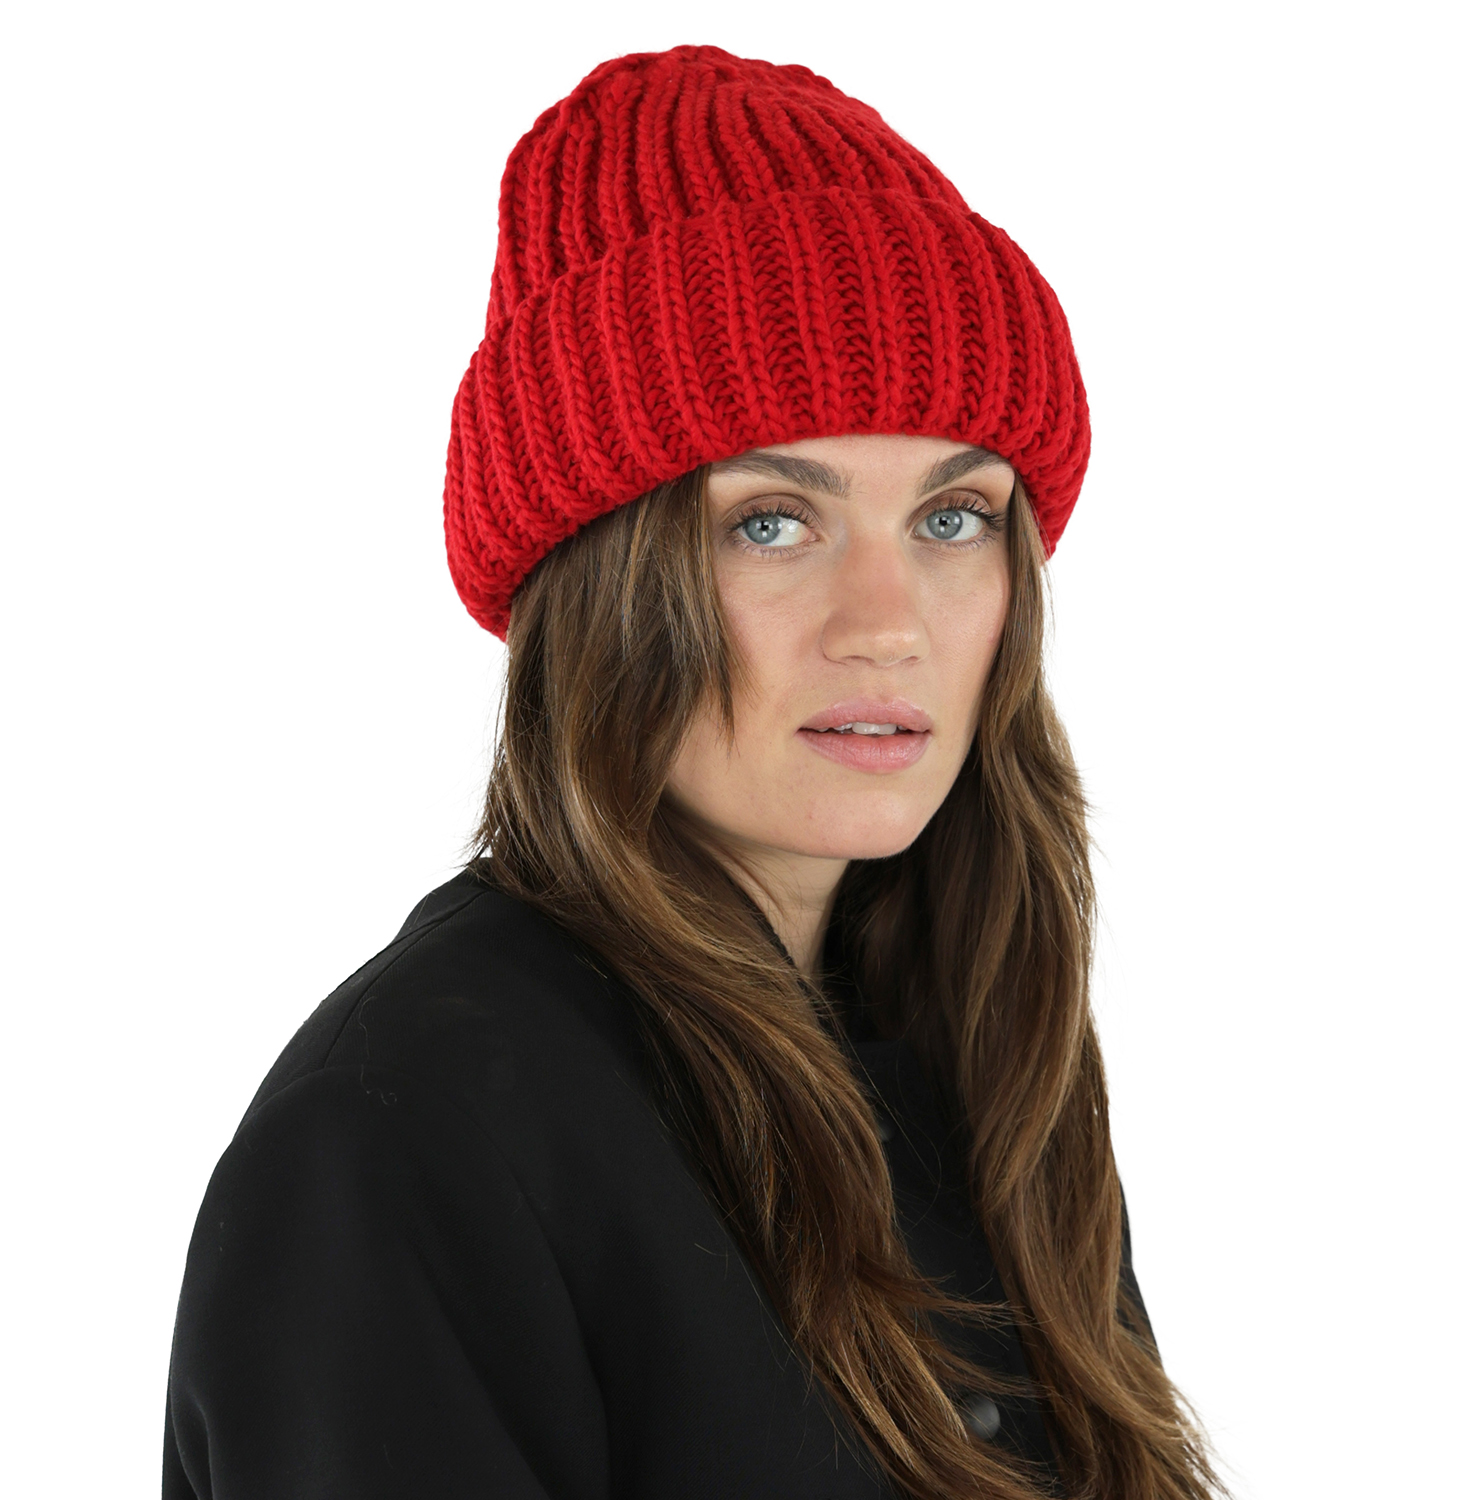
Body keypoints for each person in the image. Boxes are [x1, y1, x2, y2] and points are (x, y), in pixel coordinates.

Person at [163, 45, 1222, 1500]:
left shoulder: (980, 1051)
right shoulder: (406, 1134)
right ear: (600, 580)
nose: (889, 624)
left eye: (955, 516)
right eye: (771, 521)